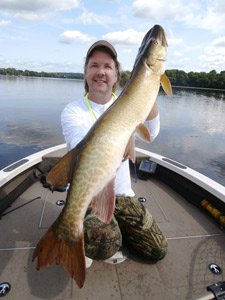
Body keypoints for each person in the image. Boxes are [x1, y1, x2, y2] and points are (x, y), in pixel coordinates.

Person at [61, 40, 168, 267]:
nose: (101, 72)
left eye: (108, 66)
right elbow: (78, 143)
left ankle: (115, 228)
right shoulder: (73, 110)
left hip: (122, 196)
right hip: (89, 197)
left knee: (157, 250)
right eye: (94, 66)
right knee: (106, 244)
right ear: (86, 73)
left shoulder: (129, 104)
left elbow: (152, 132)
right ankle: (80, 236)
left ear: (117, 74)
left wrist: (148, 89)